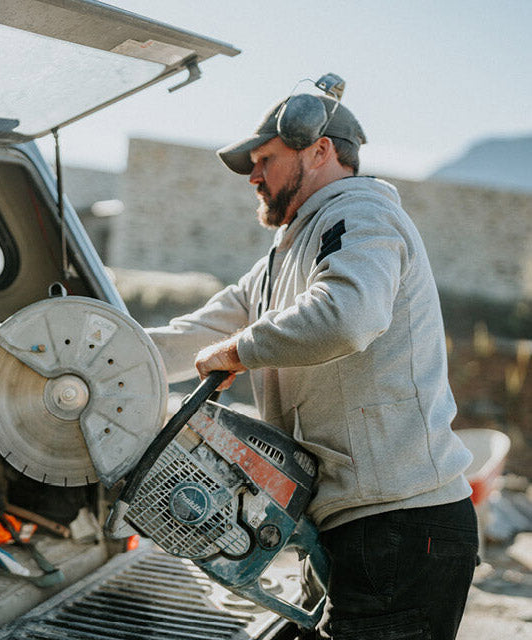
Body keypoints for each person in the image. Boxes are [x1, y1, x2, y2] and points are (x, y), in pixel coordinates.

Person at [146, 78, 478, 640]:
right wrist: (98, 362)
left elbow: (346, 316)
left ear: (320, 150)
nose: (253, 176)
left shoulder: (363, 216)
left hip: (401, 522)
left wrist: (234, 354)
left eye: (266, 159)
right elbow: (195, 334)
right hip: (354, 522)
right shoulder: (287, 255)